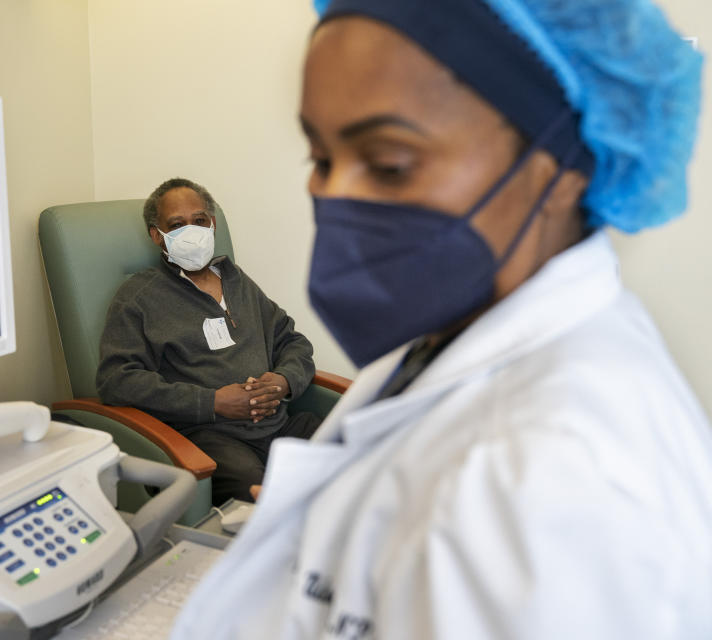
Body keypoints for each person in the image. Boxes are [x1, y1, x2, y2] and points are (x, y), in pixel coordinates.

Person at [172, 0, 711, 638]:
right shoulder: (448, 337)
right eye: (320, 159)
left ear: (560, 170)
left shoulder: (566, 476)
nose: (331, 194)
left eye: (390, 162)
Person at [96, 177, 321, 505]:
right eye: (177, 224)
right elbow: (116, 381)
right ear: (157, 236)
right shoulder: (138, 298)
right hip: (213, 436)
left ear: (212, 225)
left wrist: (283, 381)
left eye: (199, 221)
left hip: (279, 427)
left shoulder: (237, 281)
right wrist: (212, 402)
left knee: (355, 462)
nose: (192, 230)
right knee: (266, 499)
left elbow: (292, 341)